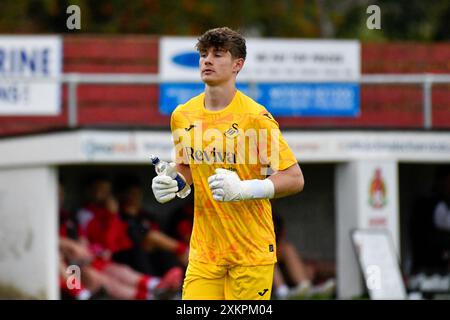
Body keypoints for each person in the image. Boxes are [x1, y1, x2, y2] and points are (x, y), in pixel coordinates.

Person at [151, 27, 304, 300]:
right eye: (203, 54)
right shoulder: (182, 115)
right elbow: (187, 168)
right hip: (203, 253)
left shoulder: (256, 117)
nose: (207, 60)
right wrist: (172, 183)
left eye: (218, 55)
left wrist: (245, 189)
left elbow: (294, 178)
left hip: (251, 252)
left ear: (237, 65)